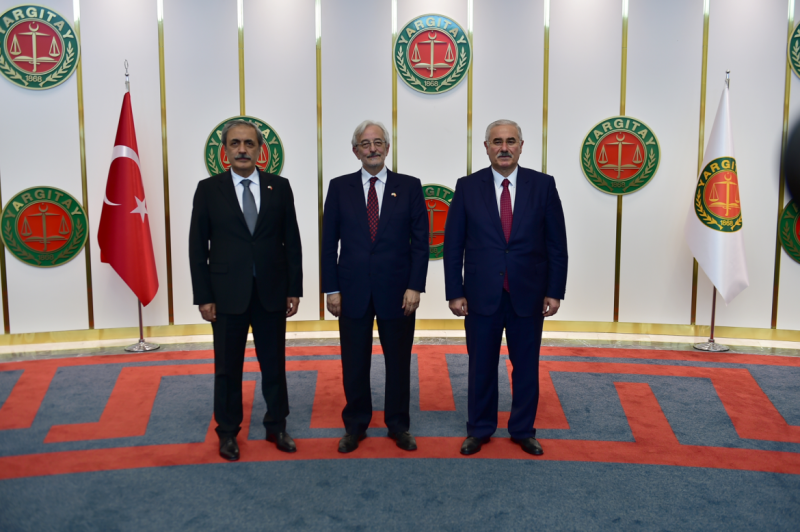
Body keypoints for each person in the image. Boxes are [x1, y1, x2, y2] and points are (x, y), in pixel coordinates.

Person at [443, 119, 568, 456]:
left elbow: (557, 244)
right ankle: (479, 429)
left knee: (526, 367)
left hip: (529, 293)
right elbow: (453, 245)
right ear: (486, 147)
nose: (504, 148)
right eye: (497, 141)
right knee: (481, 366)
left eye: (511, 141)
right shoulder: (467, 187)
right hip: (480, 295)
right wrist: (455, 291)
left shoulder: (543, 185)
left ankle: (523, 429)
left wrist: (554, 290)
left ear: (521, 146)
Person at [189, 120, 303, 461]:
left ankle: (277, 426)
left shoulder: (279, 187)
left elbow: (292, 241)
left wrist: (294, 288)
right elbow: (197, 247)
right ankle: (227, 432)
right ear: (225, 150)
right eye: (235, 143)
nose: (242, 149)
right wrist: (204, 296)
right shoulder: (208, 189)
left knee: (274, 364)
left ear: (259, 150)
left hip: (272, 291)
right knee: (227, 368)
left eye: (249, 144)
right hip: (225, 296)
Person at [321, 120, 428, 453]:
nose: (372, 149)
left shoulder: (409, 186)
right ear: (356, 151)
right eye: (365, 144)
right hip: (351, 290)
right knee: (354, 362)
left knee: (398, 362)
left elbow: (420, 243)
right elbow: (329, 244)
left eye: (378, 142)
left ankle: (398, 425)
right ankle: (355, 425)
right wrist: (331, 289)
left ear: (387, 147)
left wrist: (415, 286)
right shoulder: (339, 187)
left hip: (398, 292)